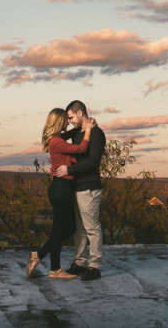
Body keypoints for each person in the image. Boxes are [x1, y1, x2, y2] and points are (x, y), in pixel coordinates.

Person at [26, 108, 96, 280]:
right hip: (61, 188)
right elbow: (81, 149)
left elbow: (67, 135)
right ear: (58, 121)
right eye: (65, 120)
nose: (68, 122)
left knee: (69, 228)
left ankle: (40, 255)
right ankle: (55, 269)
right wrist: (87, 131)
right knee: (59, 231)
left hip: (62, 187)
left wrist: (79, 127)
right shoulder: (55, 142)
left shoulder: (56, 139)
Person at [53, 99, 105, 281]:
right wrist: (82, 129)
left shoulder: (97, 134)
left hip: (89, 187)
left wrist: (69, 170)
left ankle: (94, 266)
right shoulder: (79, 133)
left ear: (80, 113)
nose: (70, 122)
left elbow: (92, 162)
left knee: (92, 227)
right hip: (76, 187)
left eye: (71, 117)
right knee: (80, 229)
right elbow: (61, 139)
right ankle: (80, 263)